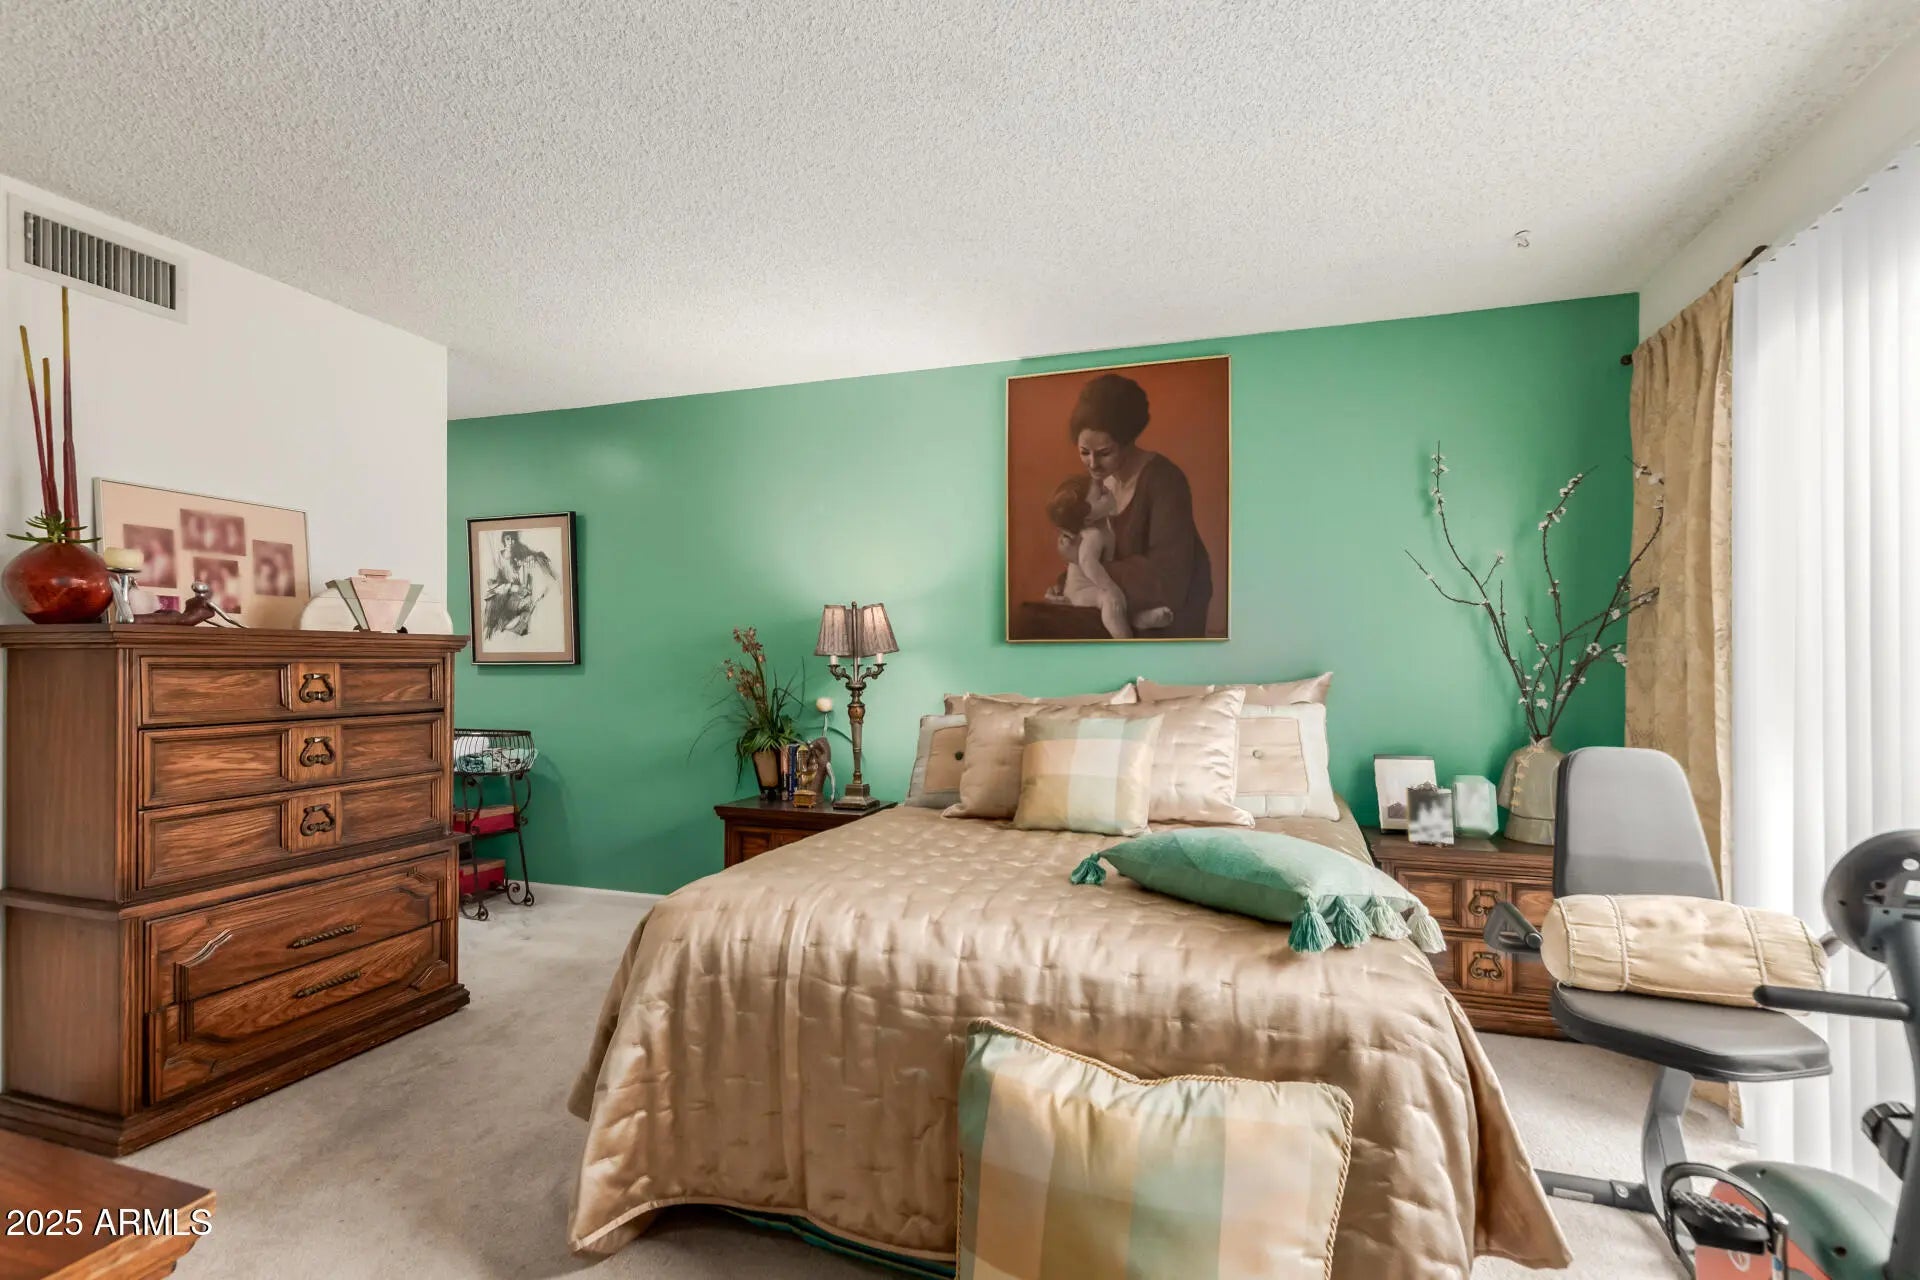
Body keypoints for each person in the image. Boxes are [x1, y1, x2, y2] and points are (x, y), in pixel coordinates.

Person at [1054, 372, 1213, 637]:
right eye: (1084, 452)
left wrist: (1083, 563)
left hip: (1168, 613)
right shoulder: (1098, 486)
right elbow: (1098, 550)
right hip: (1116, 606)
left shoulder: (1163, 480)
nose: (1093, 464)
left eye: (1104, 453)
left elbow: (1169, 576)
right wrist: (1068, 584)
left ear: (1128, 442)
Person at [1043, 474, 1175, 638]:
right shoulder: (1094, 535)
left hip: (1095, 583)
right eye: (1101, 495)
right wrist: (1109, 587)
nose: (1108, 491)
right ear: (1088, 519)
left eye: (1104, 488)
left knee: (1122, 594)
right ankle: (1123, 639)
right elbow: (1088, 563)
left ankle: (1137, 619)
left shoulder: (1105, 525)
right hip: (1080, 591)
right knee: (1110, 598)